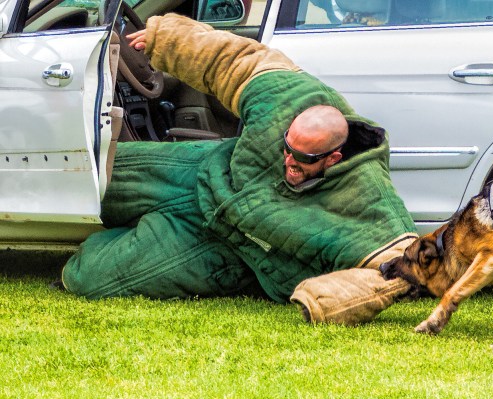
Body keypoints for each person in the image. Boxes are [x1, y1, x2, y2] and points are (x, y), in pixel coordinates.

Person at [60, 13, 417, 303]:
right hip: (205, 171)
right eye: (286, 148)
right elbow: (236, 61)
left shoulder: (369, 196)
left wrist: (331, 298)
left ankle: (121, 238)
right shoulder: (289, 97)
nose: (289, 161)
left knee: (88, 278)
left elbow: (410, 267)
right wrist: (164, 37)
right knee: (87, 174)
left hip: (228, 248)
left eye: (302, 159)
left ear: (333, 156)